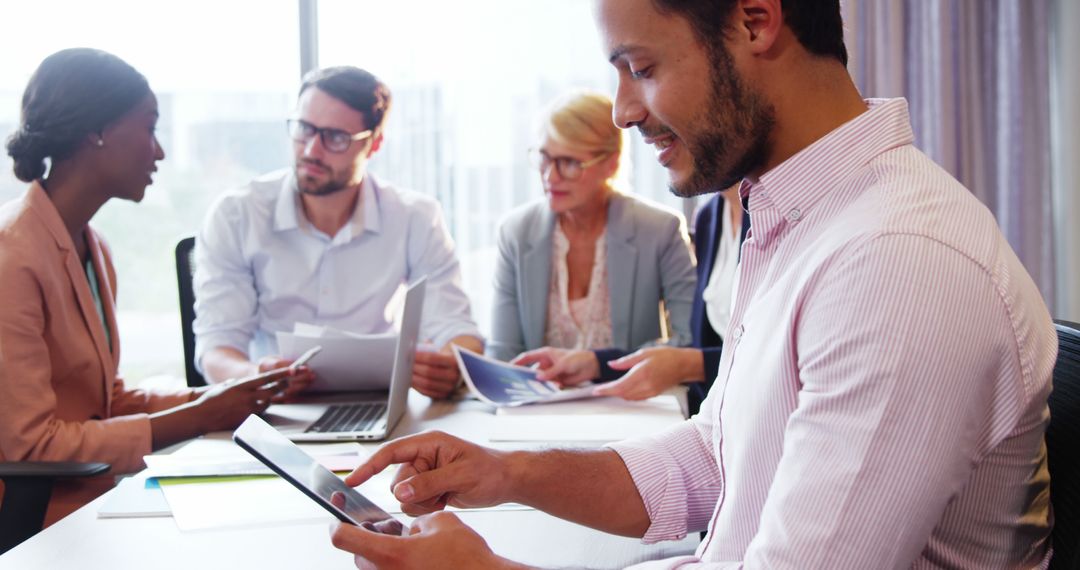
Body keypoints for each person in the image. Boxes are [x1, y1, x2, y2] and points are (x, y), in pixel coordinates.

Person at [328, 0, 1056, 568]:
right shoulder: (801, 217)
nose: (623, 111)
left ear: (755, 21)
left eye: (640, 68)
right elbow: (718, 456)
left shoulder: (899, 261)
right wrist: (509, 473)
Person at [0, 48, 284, 526]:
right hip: (35, 522)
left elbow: (105, 402)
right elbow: (31, 446)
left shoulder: (92, 245)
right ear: (97, 131)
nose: (160, 151)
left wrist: (225, 396)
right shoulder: (12, 258)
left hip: (95, 499)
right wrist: (199, 416)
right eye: (150, 127)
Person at [193, 66, 483, 400]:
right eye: (304, 129)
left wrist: (451, 366)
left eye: (335, 138)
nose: (311, 151)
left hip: (380, 403)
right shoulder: (236, 215)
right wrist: (253, 375)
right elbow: (217, 348)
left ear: (374, 144)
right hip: (273, 405)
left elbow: (457, 329)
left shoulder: (414, 216)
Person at [487, 90, 695, 363]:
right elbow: (503, 355)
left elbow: (690, 342)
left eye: (570, 163)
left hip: (629, 400)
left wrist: (599, 367)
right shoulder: (516, 232)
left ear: (612, 163)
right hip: (537, 403)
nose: (551, 176)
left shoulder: (659, 230)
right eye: (544, 158)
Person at [513, 185, 745, 413]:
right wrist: (595, 363)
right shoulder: (710, 215)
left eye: (571, 163)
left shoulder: (762, 216)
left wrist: (689, 365)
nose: (551, 176)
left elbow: (760, 358)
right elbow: (708, 350)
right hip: (717, 416)